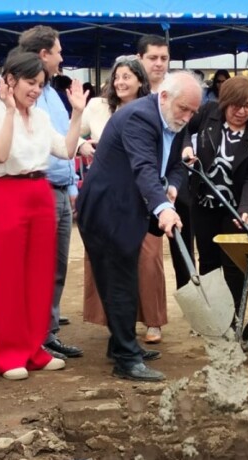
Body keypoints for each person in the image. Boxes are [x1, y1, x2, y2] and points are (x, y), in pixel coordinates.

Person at [76, 72, 202, 383]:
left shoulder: (173, 121)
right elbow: (143, 166)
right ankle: (126, 359)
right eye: (184, 109)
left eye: (192, 112)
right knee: (118, 281)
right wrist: (163, 208)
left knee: (125, 278)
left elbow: (176, 165)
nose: (187, 117)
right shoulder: (140, 118)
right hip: (107, 208)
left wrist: (172, 187)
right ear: (164, 97)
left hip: (130, 208)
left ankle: (121, 343)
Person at [0, 26, 86, 361]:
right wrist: (11, 111)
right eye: (30, 83)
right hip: (6, 193)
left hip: (40, 192)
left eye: (40, 84)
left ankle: (35, 347)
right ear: (10, 80)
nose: (36, 90)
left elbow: (66, 151)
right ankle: (9, 352)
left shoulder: (40, 116)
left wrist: (77, 113)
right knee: (9, 275)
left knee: (40, 274)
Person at [80, 56, 170, 335]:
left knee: (148, 259)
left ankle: (153, 320)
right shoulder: (97, 107)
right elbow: (70, 133)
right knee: (108, 259)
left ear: (140, 81)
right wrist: (82, 144)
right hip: (107, 196)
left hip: (144, 194)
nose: (120, 82)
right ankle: (117, 326)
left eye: (127, 77)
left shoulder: (154, 110)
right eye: (116, 77)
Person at [181, 76, 248, 313]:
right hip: (203, 202)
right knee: (208, 260)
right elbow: (182, 127)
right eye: (235, 105)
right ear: (225, 102)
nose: (241, 112)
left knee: (233, 263)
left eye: (247, 106)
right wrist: (186, 146)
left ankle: (234, 317)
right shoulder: (208, 113)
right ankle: (212, 315)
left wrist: (245, 209)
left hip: (236, 207)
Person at [136, 34, 184, 345]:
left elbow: (178, 155)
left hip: (160, 195)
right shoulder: (129, 91)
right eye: (152, 57)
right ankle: (122, 321)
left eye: (163, 58)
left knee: (152, 259)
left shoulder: (177, 97)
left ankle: (154, 320)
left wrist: (174, 185)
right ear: (140, 59)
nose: (158, 63)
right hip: (128, 191)